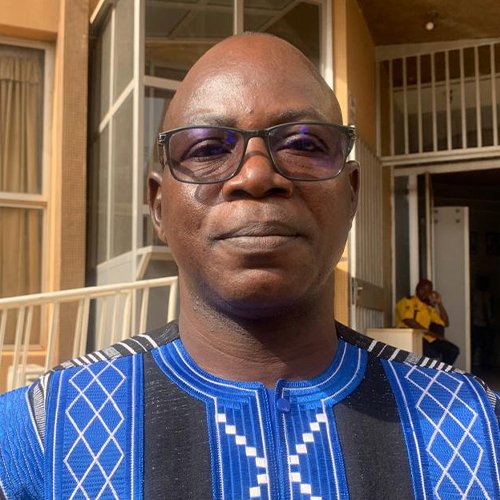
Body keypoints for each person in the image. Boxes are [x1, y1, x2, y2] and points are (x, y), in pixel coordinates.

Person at [0, 34, 499, 499]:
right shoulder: (39, 435)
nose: (257, 176)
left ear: (351, 197)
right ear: (158, 207)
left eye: (303, 143)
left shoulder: (473, 425)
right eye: (208, 148)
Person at [395, 279, 460, 365]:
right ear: (417, 289)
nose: (424, 293)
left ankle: (441, 371)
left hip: (427, 338)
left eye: (428, 291)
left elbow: (445, 323)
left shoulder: (428, 307)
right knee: (432, 355)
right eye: (423, 289)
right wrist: (434, 335)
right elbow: (409, 321)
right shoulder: (407, 301)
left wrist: (439, 303)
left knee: (453, 350)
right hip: (410, 336)